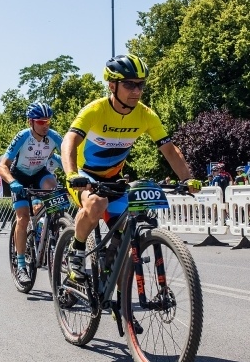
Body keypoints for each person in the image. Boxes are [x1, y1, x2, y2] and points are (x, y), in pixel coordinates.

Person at [61, 54, 200, 285]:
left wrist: (187, 179)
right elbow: (69, 141)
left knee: (131, 227)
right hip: (84, 176)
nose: (136, 91)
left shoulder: (145, 115)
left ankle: (110, 271)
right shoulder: (95, 110)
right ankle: (75, 252)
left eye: (140, 85)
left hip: (114, 179)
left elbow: (169, 150)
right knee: (96, 204)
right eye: (129, 84)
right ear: (112, 85)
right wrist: (72, 174)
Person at [0, 102, 63, 287]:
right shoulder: (23, 136)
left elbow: (69, 154)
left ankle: (55, 229)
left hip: (39, 173)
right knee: (23, 218)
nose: (46, 125)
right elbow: (2, 166)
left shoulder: (53, 137)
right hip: (19, 176)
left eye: (48, 121)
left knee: (53, 186)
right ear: (30, 122)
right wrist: (12, 182)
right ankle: (20, 265)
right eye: (41, 121)